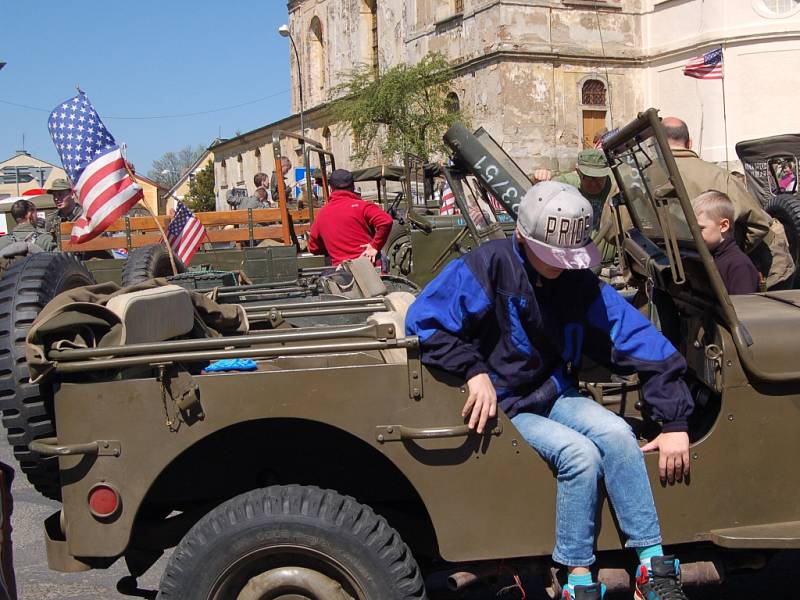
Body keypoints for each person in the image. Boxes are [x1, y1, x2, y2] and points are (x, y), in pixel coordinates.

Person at [405, 181, 692, 600]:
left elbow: (639, 341)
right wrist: (472, 370)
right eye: (551, 256)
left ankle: (653, 567)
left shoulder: (577, 280)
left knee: (618, 434)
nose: (560, 266)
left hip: (555, 391)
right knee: (581, 455)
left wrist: (675, 420)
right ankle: (578, 579)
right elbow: (425, 321)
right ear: (522, 236)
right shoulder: (490, 265)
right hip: (508, 404)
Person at [663, 116, 795, 290]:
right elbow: (758, 225)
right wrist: (726, 253)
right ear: (689, 143)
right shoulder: (720, 177)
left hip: (726, 269)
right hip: (738, 266)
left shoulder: (641, 179)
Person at [532, 150, 624, 266]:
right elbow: (536, 196)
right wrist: (537, 180)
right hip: (574, 263)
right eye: (588, 178)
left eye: (599, 178)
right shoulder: (567, 184)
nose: (594, 183)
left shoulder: (617, 183)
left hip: (609, 264)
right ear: (578, 172)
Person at [307, 169, 393, 267]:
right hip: (369, 269)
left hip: (342, 274)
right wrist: (375, 246)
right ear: (353, 187)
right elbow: (386, 221)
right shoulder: (363, 206)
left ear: (331, 188)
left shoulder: (321, 214)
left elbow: (314, 247)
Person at [693, 190, 759, 295]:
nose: (693, 235)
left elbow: (743, 308)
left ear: (723, 226)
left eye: (700, 228)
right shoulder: (706, 257)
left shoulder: (738, 266)